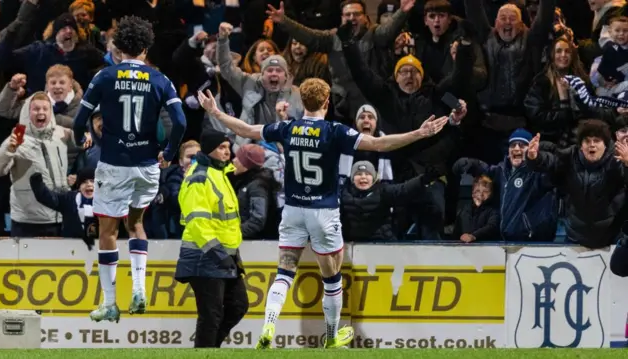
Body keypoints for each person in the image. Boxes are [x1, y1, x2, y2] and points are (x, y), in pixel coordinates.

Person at [196, 78, 451, 349]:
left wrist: (215, 112)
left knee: (284, 271)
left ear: (302, 102)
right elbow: (380, 145)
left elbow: (245, 128)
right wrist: (419, 133)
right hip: (323, 211)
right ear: (327, 103)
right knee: (331, 276)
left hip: (293, 209)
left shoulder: (287, 127)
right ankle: (330, 337)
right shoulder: (334, 130)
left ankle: (269, 323)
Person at [72, 15, 187, 323]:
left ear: (118, 47)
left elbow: (80, 118)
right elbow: (181, 122)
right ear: (146, 49)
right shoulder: (160, 80)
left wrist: (79, 136)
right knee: (136, 224)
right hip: (148, 167)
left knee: (108, 231)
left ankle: (110, 302)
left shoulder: (105, 76)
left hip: (114, 165)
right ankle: (139, 288)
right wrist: (169, 152)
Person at [174, 129, 249, 348]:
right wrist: (218, 254)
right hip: (205, 255)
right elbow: (198, 223)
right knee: (211, 315)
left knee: (237, 306)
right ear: (209, 150)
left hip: (224, 254)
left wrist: (230, 255)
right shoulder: (199, 177)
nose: (227, 152)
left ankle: (209, 349)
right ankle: (206, 351)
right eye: (221, 148)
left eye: (228, 147)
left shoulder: (219, 173)